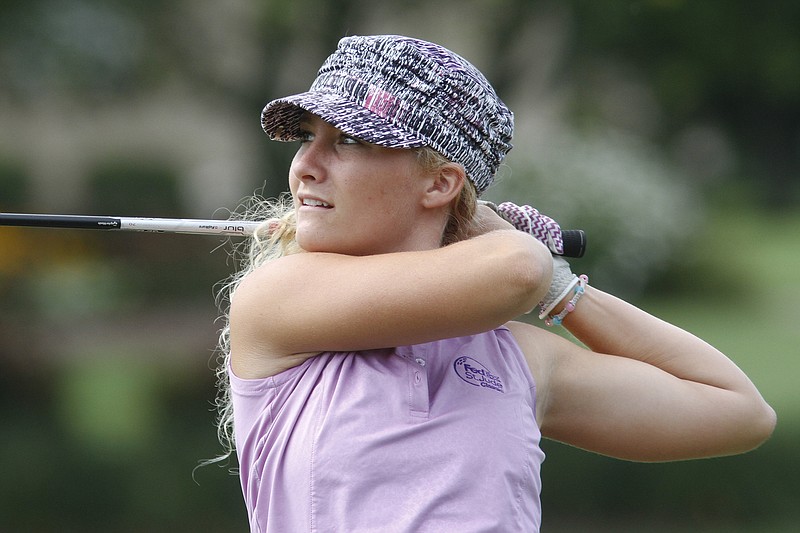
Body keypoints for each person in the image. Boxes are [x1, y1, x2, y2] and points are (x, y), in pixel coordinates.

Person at [213, 35, 775, 532]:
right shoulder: (278, 296)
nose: (305, 165)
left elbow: (737, 411)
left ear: (439, 182)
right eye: (306, 137)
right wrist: (507, 241)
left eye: (349, 141)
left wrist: (562, 290)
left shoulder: (517, 357)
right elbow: (517, 268)